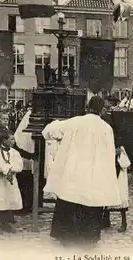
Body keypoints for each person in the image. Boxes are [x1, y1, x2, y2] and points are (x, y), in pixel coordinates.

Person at [44, 96, 121, 246]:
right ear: (101, 110)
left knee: (71, 198)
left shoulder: (75, 122)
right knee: (91, 200)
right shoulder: (107, 128)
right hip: (95, 170)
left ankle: (67, 237)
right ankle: (89, 239)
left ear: (87, 107)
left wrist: (58, 132)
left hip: (75, 169)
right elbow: (109, 153)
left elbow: (50, 131)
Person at [13, 106, 36, 214]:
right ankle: (23, 205)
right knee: (24, 180)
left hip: (30, 153)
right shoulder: (29, 116)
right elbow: (21, 139)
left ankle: (31, 204)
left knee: (30, 180)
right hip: (24, 154)